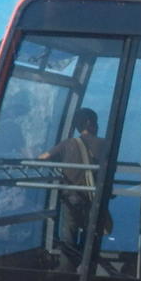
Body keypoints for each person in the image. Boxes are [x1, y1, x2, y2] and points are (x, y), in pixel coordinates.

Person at [38, 108, 108, 254]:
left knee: (69, 237)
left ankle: (68, 268)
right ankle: (86, 265)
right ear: (90, 123)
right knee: (90, 236)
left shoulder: (67, 144)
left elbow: (42, 158)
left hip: (71, 197)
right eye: (96, 122)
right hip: (94, 198)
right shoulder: (103, 144)